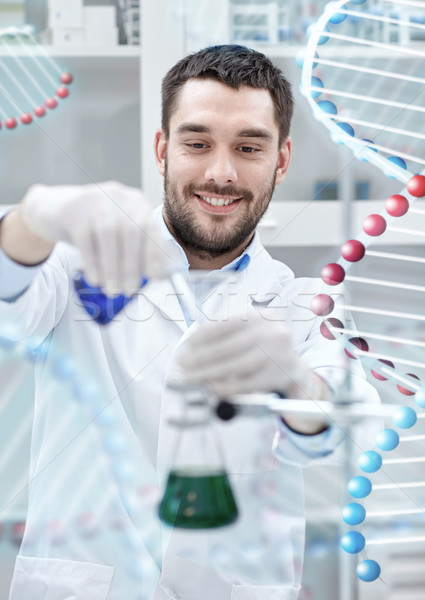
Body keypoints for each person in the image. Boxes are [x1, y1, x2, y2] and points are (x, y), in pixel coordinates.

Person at [0, 45, 378, 600]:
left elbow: (340, 428)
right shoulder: (73, 264)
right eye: (197, 144)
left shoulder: (305, 305)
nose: (220, 173)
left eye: (249, 147)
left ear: (282, 159)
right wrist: (31, 222)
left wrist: (297, 385)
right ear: (162, 150)